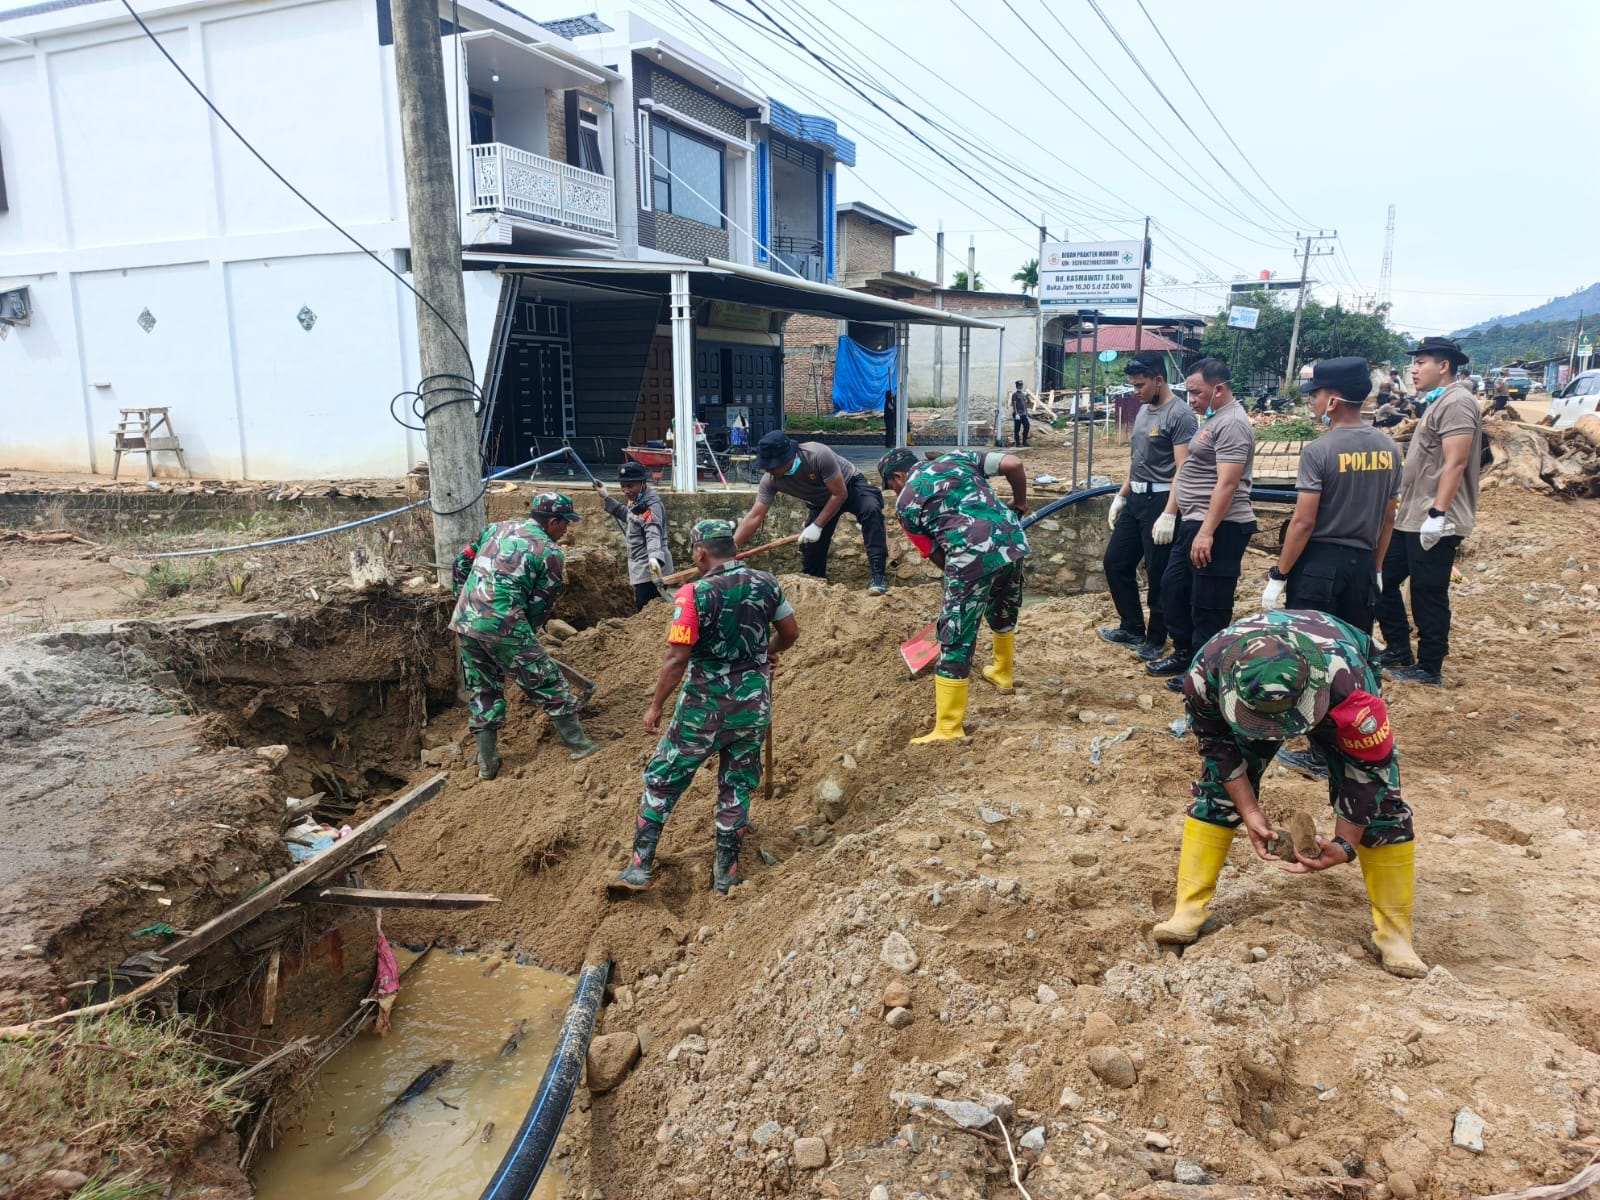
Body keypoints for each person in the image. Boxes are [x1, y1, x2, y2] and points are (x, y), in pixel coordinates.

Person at [1150, 610, 1426, 979]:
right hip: (1258, 686)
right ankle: (1187, 911)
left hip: (1336, 675)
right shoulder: (1205, 675)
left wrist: (1346, 845)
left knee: (1384, 807)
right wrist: (1249, 812)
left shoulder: (1351, 685)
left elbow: (1370, 768)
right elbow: (1216, 746)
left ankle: (1396, 938)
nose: (1274, 734)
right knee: (1217, 791)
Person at [609, 520, 799, 895]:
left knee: (663, 781)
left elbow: (676, 660)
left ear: (700, 552)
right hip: (751, 707)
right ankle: (726, 873)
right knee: (736, 787)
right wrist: (766, 654)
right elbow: (790, 633)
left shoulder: (692, 594)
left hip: (702, 710)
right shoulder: (767, 583)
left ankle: (638, 869)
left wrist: (655, 705)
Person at [1262, 357, 1402, 778]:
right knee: (1351, 657)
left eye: (1317, 395)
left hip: (1320, 564)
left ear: (1335, 399)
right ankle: (1356, 742)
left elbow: (1304, 521)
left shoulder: (1320, 450)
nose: (1313, 402)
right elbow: (1388, 517)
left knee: (1314, 658)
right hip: (1361, 566)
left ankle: (1320, 752)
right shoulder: (1388, 448)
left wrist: (1280, 574)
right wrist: (1376, 568)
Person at [879, 447, 1029, 743]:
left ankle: (948, 728)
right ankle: (1003, 674)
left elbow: (937, 554)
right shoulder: (958, 457)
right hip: (1012, 541)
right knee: (1003, 606)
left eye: (891, 485)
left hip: (969, 555)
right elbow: (1014, 463)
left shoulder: (905, 503)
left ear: (898, 476)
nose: (894, 491)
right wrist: (1020, 503)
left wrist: (960, 586)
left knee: (956, 635)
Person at [450, 492, 600, 778]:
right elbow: (542, 603)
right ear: (552, 521)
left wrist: (464, 601)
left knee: (484, 688)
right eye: (565, 523)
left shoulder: (495, 528)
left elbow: (461, 563)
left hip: (465, 622)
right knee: (549, 682)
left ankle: (487, 765)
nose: (567, 529)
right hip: (504, 623)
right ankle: (580, 746)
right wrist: (523, 636)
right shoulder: (550, 552)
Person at [1374, 337, 1482, 687]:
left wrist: (1439, 514)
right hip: (1413, 514)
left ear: (1444, 366)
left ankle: (1430, 667)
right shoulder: (1437, 402)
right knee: (1381, 581)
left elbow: (1456, 461)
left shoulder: (1458, 403)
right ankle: (1399, 650)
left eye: (1421, 363)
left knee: (1427, 592)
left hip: (1435, 518)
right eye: (1414, 363)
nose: (1414, 370)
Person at [1146, 357, 1258, 692]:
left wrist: (1207, 531)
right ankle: (1185, 653)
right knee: (1174, 587)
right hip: (1193, 521)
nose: (1191, 399)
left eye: (1196, 393)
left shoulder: (1234, 423)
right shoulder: (1213, 419)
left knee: (1208, 601)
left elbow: (1227, 483)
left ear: (1219, 389)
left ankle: (1207, 673)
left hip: (1220, 526)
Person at [1099, 351, 1199, 661]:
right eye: (1132, 385)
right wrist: (1121, 494)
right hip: (1136, 499)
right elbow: (1137, 460)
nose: (1135, 391)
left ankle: (1157, 638)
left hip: (1162, 500)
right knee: (1116, 562)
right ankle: (1132, 627)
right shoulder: (1143, 411)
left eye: (1140, 385)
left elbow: (1184, 469)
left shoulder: (1179, 415)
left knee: (1159, 574)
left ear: (1159, 380)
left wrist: (1170, 512)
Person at [737, 431, 890, 594]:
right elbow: (755, 515)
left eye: (773, 465)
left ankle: (878, 576)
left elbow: (840, 494)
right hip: (819, 502)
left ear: (788, 457)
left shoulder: (817, 455)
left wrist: (817, 525)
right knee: (811, 546)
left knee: (871, 509)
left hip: (849, 486)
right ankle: (815, 584)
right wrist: (733, 545)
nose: (769, 470)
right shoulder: (771, 480)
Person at [599, 462, 674, 613]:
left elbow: (653, 532)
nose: (626, 491)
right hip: (640, 567)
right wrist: (606, 497)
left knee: (647, 611)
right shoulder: (636, 500)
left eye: (630, 486)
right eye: (623, 486)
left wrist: (654, 559)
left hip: (649, 570)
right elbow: (629, 516)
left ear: (643, 483)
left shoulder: (651, 505)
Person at [1010, 380, 1032, 448]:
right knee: (1017, 429)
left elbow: (1025, 404)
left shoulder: (1023, 394)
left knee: (1027, 426)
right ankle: (1017, 443)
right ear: (1016, 386)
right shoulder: (1015, 395)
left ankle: (1024, 441)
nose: (1020, 386)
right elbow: (1014, 404)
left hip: (1023, 414)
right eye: (1019, 385)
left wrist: (1027, 413)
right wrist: (1016, 413)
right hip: (1018, 414)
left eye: (1021, 385)